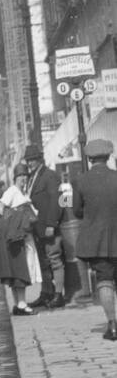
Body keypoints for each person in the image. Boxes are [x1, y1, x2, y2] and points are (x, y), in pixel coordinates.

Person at [73, 139, 117, 341]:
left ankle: (112, 326)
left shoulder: (81, 181)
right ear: (109, 156)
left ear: (89, 158)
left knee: (104, 281)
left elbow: (77, 211)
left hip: (97, 241)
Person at [0, 163, 39, 316]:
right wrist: (15, 217)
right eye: (21, 176)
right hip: (16, 237)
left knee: (18, 270)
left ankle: (18, 304)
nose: (24, 179)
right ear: (15, 178)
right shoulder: (12, 191)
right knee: (20, 271)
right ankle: (22, 304)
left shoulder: (22, 191)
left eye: (26, 176)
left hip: (22, 236)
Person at [23, 144, 65, 309]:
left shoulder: (50, 176)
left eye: (32, 159)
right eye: (28, 160)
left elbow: (57, 202)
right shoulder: (32, 178)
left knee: (54, 260)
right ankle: (46, 293)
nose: (30, 163)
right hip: (37, 229)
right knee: (43, 262)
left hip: (49, 228)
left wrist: (51, 224)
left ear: (40, 159)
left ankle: (58, 295)